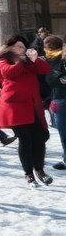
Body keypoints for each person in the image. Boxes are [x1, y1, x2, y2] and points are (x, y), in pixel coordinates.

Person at [0, 35, 52, 186]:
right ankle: (28, 173)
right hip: (14, 107)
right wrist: (20, 61)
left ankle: (39, 169)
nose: (23, 50)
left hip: (32, 106)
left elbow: (46, 69)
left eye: (24, 47)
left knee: (39, 139)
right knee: (24, 139)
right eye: (19, 47)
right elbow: (10, 74)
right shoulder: (2, 61)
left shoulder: (28, 62)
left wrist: (35, 59)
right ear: (10, 48)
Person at [43, 35, 65, 171]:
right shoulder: (50, 60)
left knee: (64, 132)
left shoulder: (55, 61)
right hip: (57, 99)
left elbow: (51, 80)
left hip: (60, 99)